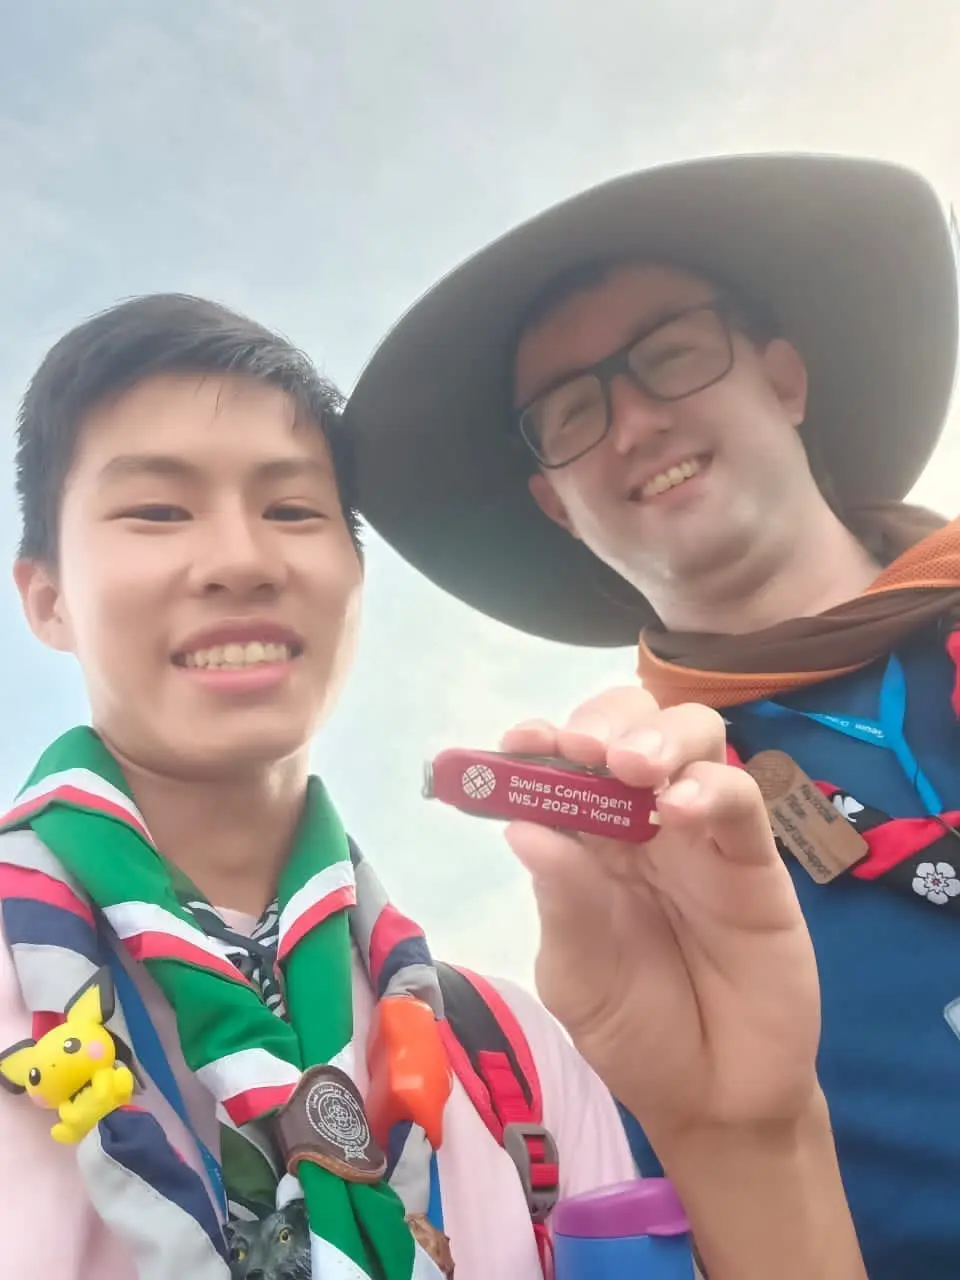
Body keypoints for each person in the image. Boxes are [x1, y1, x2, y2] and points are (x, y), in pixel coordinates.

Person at [0, 292, 866, 1280]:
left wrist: (748, 1134)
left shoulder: (515, 1054)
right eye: (156, 509)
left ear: (354, 583)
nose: (241, 559)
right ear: (48, 595)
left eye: (293, 509)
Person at [345, 151, 960, 1278]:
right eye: (574, 412)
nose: (632, 423)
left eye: (673, 354)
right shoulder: (652, 861)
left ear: (784, 379)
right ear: (555, 506)